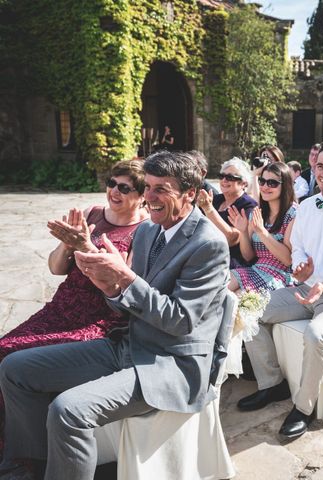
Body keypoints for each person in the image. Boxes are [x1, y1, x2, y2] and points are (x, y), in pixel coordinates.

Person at [0, 151, 230, 480]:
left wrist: (125, 279)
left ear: (190, 193)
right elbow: (125, 303)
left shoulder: (209, 244)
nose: (149, 197)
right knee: (14, 369)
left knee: (69, 409)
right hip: (127, 343)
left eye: (160, 189)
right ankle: (27, 466)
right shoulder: (150, 231)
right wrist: (107, 283)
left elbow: (181, 320)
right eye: (147, 186)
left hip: (170, 364)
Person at [0, 159, 148, 457]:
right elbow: (56, 268)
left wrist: (86, 246)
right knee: (4, 347)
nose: (114, 192)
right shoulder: (93, 213)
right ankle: (10, 443)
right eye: (111, 183)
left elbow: (123, 288)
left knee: (20, 358)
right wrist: (68, 244)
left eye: (124, 187)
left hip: (98, 318)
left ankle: (28, 456)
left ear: (142, 195)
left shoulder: (144, 231)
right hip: (62, 307)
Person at [237, 139, 323, 439]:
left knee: (316, 334)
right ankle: (272, 383)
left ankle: (303, 407)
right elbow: (298, 247)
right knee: (248, 310)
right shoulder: (308, 208)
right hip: (303, 289)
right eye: (319, 166)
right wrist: (301, 265)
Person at [228, 162, 297, 292]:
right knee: (222, 287)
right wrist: (243, 232)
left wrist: (262, 232)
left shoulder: (293, 214)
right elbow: (248, 257)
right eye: (262, 181)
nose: (265, 187)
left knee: (238, 298)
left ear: (285, 185)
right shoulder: (258, 212)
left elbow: (288, 260)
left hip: (280, 276)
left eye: (272, 183)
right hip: (256, 269)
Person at [198, 157, 257, 268]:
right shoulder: (216, 199)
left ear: (244, 183)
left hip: (230, 262)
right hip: (206, 253)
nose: (224, 180)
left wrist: (209, 210)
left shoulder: (248, 205)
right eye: (222, 176)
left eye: (230, 177)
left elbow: (232, 239)